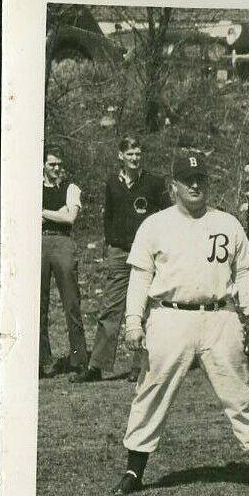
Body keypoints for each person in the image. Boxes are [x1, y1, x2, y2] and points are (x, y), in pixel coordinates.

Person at [112, 152, 249, 496]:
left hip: (220, 316)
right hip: (169, 316)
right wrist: (134, 322)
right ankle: (134, 471)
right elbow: (139, 277)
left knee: (240, 392)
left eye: (200, 179)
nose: (195, 185)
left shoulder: (227, 223)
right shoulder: (155, 225)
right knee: (151, 391)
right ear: (173, 185)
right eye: (187, 179)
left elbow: (244, 275)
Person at [74, 136, 170, 383]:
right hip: (119, 253)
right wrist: (109, 243)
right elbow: (109, 216)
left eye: (138, 153)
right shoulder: (112, 183)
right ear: (121, 156)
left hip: (147, 254)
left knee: (145, 308)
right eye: (130, 154)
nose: (135, 158)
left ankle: (140, 365)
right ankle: (97, 366)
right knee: (110, 308)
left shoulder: (154, 182)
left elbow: (168, 216)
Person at [40, 144, 87, 378]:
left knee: (71, 301)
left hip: (62, 242)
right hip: (37, 243)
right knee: (38, 303)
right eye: (52, 165)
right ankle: (43, 361)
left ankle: (79, 359)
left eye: (60, 165)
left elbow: (69, 218)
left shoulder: (71, 188)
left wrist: (41, 212)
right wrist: (54, 212)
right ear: (43, 166)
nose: (57, 169)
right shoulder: (33, 186)